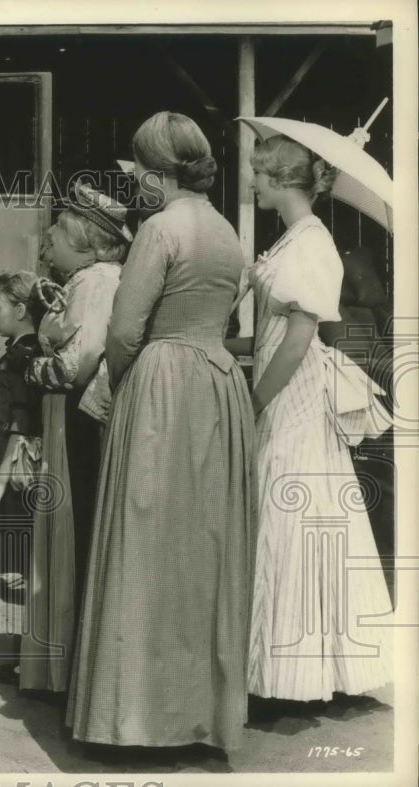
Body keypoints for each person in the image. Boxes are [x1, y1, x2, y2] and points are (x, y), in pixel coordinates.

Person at [65, 111, 256, 752]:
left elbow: (123, 331)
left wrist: (122, 383)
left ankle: (136, 718)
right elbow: (227, 318)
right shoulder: (228, 231)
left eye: (137, 170)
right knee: (201, 549)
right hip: (219, 382)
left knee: (145, 545)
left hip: (165, 382)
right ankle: (199, 714)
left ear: (152, 173)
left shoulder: (158, 228)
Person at [229, 134, 392, 702]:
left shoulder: (313, 245)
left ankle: (297, 668)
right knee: (288, 512)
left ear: (277, 179)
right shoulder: (295, 238)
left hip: (292, 392)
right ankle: (292, 660)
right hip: (281, 381)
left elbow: (299, 338)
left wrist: (254, 402)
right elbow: (275, 331)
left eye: (257, 173)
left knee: (291, 510)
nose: (251, 182)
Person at [18, 183, 132, 693]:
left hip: (73, 417)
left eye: (61, 228)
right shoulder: (87, 278)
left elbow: (76, 365)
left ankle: (63, 669)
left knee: (69, 526)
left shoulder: (96, 281)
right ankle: (53, 661)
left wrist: (29, 366)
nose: (50, 234)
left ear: (86, 241)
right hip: (66, 416)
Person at [0, 270, 44, 592]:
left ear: (19, 311)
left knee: (8, 509)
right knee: (3, 513)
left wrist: (1, 477)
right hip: (7, 449)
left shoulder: (21, 358)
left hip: (14, 456)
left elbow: (21, 416)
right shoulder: (23, 352)